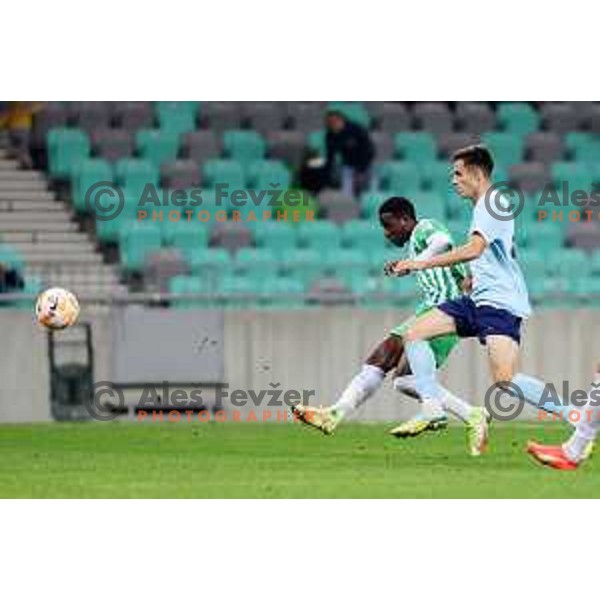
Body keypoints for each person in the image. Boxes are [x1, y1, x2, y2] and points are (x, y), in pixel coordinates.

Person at [388, 145, 581, 457]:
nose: (453, 180)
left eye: (458, 173)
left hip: (499, 303)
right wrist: (473, 278)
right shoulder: (488, 205)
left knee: (505, 380)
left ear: (477, 174)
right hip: (479, 299)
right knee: (414, 333)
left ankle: (576, 414)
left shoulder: (491, 204)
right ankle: (432, 407)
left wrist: (420, 262)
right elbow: (497, 251)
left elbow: (475, 248)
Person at [292, 196, 489, 450]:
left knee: (384, 357)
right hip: (431, 310)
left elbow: (442, 241)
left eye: (389, 225)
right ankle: (472, 414)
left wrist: (416, 263)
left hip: (445, 313)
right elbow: (458, 271)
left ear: (406, 219)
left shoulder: (425, 228)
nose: (387, 234)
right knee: (402, 380)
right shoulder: (415, 244)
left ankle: (335, 414)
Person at [324, 110, 374, 197]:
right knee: (347, 192)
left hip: (365, 164)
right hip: (347, 165)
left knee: (368, 189)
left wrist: (362, 168)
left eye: (335, 122)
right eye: (330, 123)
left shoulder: (356, 129)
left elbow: (369, 149)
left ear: (341, 120)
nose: (332, 125)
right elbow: (330, 155)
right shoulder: (330, 135)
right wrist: (327, 172)